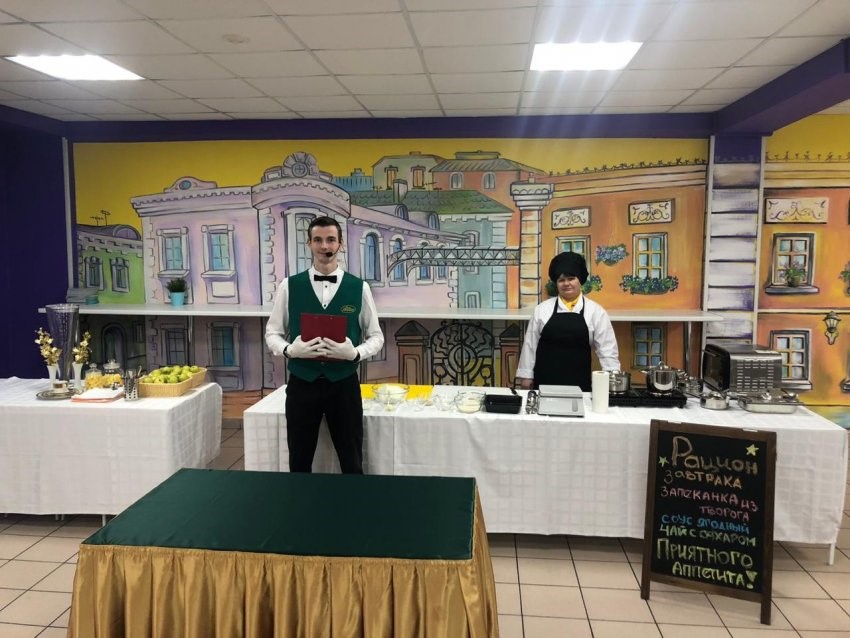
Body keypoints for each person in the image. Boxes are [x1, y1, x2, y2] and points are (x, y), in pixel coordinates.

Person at [265, 216, 384, 473]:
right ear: (309, 243)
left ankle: (352, 498)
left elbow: (376, 337)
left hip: (344, 385)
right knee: (299, 461)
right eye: (318, 240)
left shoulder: (359, 287)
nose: (324, 246)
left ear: (340, 244)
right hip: (302, 384)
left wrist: (354, 353)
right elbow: (273, 333)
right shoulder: (289, 286)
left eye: (330, 239)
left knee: (352, 460)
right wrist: (289, 350)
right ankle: (301, 499)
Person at [516, 251, 619, 391]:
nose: (566, 284)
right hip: (545, 381)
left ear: (580, 280)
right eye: (561, 280)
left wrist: (612, 378)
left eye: (571, 278)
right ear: (556, 283)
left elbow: (607, 349)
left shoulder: (596, 312)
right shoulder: (542, 310)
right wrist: (526, 376)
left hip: (580, 383)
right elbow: (530, 344)